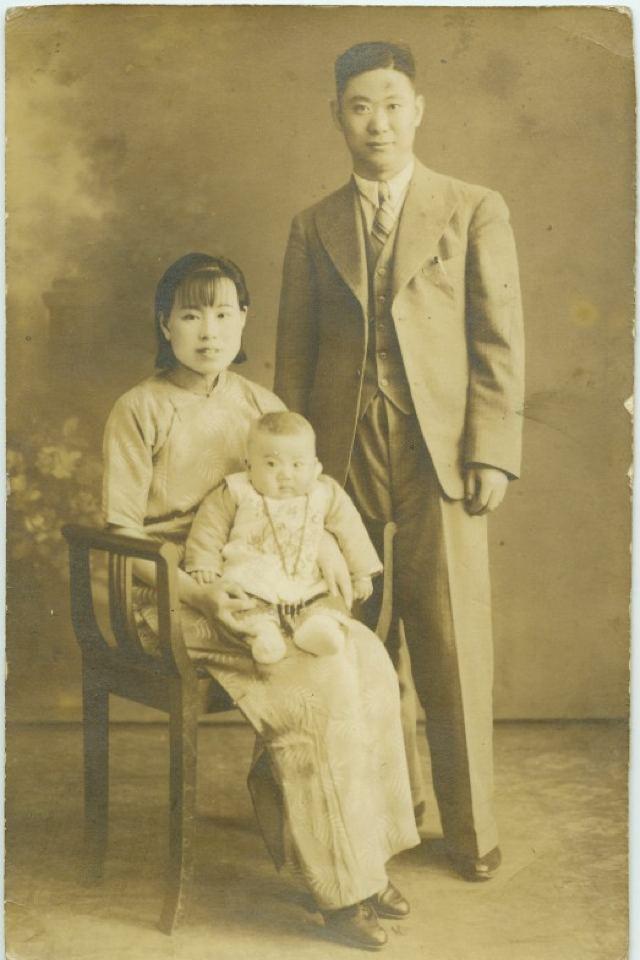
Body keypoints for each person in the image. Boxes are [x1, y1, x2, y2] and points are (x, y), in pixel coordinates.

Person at [102, 251, 420, 950]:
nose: (208, 331)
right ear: (164, 324)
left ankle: (367, 860)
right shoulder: (140, 408)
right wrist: (200, 590)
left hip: (272, 588)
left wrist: (326, 555)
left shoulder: (260, 406)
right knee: (316, 681)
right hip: (174, 594)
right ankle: (339, 891)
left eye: (223, 314)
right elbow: (121, 535)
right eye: (190, 315)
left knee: (366, 658)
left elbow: (307, 500)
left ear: (244, 320)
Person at [275, 41, 524, 882]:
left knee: (451, 641)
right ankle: (376, 821)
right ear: (337, 118)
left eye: (391, 105)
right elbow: (293, 360)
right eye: (359, 107)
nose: (376, 123)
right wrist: (297, 482)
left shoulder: (474, 207)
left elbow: (497, 340)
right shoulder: (312, 224)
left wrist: (492, 452)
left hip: (439, 454)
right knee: (347, 639)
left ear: (418, 111)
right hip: (341, 460)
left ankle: (472, 831)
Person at [184, 410, 382, 664]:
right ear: (249, 465)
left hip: (309, 579)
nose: (285, 474)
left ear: (315, 467)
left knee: (328, 602)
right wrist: (204, 563)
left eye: (297, 465)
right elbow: (210, 526)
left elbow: (351, 530)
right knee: (243, 605)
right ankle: (263, 634)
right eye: (271, 464)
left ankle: (318, 630)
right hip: (253, 576)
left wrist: (361, 572)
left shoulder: (325, 493)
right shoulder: (237, 490)